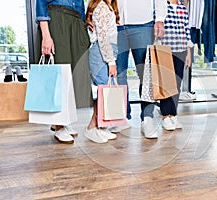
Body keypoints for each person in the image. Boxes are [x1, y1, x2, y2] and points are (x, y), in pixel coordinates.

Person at [108, 0, 168, 139]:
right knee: (118, 74)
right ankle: (121, 117)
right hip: (115, 24)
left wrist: (160, 19)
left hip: (143, 23)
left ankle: (147, 118)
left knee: (146, 74)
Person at [35, 0, 91, 143]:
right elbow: (41, 3)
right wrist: (46, 35)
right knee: (60, 73)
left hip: (76, 21)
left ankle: (63, 121)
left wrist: (85, 21)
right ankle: (59, 125)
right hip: (57, 18)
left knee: (73, 74)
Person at [83, 0, 119, 143]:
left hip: (105, 51)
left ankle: (100, 127)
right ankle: (91, 128)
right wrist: (111, 62)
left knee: (104, 91)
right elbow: (103, 39)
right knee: (103, 90)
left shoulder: (109, 7)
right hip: (101, 54)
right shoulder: (102, 7)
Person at [159, 0, 193, 131]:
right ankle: (165, 116)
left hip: (181, 51)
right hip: (165, 50)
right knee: (166, 85)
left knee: (176, 85)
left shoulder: (182, 8)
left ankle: (173, 114)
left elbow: (187, 32)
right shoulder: (162, 7)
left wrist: (188, 54)